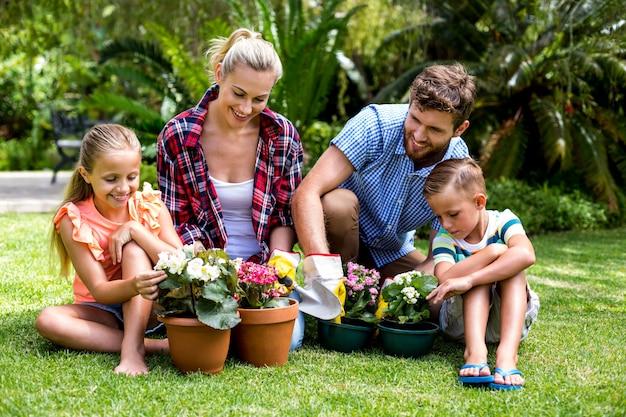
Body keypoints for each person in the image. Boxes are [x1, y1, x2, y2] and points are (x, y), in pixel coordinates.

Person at [156, 28, 304, 348]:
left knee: (287, 342)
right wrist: (214, 275)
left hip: (262, 272)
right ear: (220, 73)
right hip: (202, 270)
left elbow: (283, 217)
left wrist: (277, 263)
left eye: (259, 99)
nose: (247, 108)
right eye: (238, 93)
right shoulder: (179, 135)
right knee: (214, 332)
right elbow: (176, 221)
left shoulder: (282, 136)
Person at [292, 63, 475, 299]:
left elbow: (437, 258)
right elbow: (306, 193)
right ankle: (334, 288)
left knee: (437, 301)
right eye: (415, 119)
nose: (419, 135)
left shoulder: (458, 167)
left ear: (460, 128)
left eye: (434, 129)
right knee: (338, 203)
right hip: (339, 239)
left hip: (391, 252)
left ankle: (373, 291)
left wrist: (402, 288)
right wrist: (321, 267)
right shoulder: (374, 124)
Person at [35, 124, 183, 376]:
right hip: (104, 310)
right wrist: (133, 285)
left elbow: (182, 262)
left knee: (134, 249)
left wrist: (136, 230)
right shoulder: (74, 219)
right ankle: (155, 346)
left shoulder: (148, 205)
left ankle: (133, 350)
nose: (123, 188)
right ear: (86, 174)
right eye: (111, 179)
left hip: (152, 307)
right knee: (48, 320)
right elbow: (101, 291)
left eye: (131, 176)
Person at [423, 158, 540, 390]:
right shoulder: (445, 239)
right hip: (460, 325)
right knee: (482, 269)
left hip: (506, 321)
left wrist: (469, 278)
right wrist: (491, 252)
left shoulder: (503, 221)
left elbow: (526, 256)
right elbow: (445, 277)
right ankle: (474, 352)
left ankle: (507, 355)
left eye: (453, 214)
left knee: (513, 270)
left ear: (479, 202)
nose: (445, 223)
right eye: (439, 216)